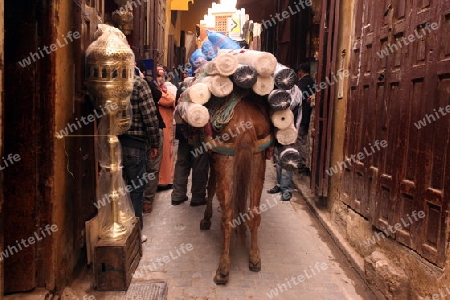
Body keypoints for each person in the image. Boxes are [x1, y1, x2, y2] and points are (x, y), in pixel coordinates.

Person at [119, 73, 160, 243]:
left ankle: (120, 228)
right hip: (135, 144)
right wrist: (155, 142)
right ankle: (135, 233)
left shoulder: (113, 82)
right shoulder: (138, 84)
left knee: (118, 189)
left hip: (114, 143)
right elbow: (150, 117)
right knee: (136, 190)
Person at [171, 79, 209, 206]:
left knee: (182, 163)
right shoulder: (205, 91)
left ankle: (178, 195)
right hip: (199, 136)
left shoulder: (182, 89)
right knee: (200, 165)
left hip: (183, 135)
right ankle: (198, 197)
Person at [135, 62, 166, 214]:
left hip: (132, 137)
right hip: (148, 133)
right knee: (152, 168)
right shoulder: (142, 83)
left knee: (136, 170)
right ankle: (146, 202)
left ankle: (137, 203)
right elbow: (150, 115)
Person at [267, 84, 302, 201]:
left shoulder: (296, 91)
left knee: (287, 160)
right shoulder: (278, 90)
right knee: (278, 159)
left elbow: (290, 106)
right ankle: (279, 185)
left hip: (290, 132)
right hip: (278, 130)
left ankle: (286, 190)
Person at [155, 66, 176, 190]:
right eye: (158, 75)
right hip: (162, 123)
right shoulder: (158, 91)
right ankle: (162, 180)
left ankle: (167, 179)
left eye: (162, 76)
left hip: (167, 122)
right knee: (163, 150)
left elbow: (171, 99)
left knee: (168, 150)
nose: (161, 78)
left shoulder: (164, 89)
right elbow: (169, 100)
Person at [296, 62, 316, 174]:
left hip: (303, 115)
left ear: (301, 71)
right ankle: (306, 162)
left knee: (301, 139)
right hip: (308, 115)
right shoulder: (312, 81)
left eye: (299, 71)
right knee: (305, 139)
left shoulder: (302, 82)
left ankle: (303, 163)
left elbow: (299, 98)